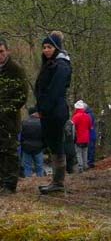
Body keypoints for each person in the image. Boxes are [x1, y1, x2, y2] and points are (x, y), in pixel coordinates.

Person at [34, 31, 72, 194]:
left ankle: (58, 182)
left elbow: (54, 91)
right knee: (53, 144)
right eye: (44, 47)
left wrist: (44, 109)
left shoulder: (61, 65)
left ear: (56, 48)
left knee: (56, 145)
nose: (46, 50)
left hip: (55, 111)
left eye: (49, 47)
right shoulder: (51, 64)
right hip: (49, 111)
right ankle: (56, 181)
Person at [0, 37, 28, 194]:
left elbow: (21, 96)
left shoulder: (15, 69)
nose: (0, 55)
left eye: (1, 52)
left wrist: (5, 111)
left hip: (9, 120)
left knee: (9, 151)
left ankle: (9, 185)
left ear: (7, 51)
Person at [20, 108, 45, 177]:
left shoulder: (24, 122)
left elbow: (21, 136)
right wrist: (43, 146)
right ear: (36, 113)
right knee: (39, 166)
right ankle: (40, 181)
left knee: (27, 166)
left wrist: (22, 145)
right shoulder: (42, 122)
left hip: (26, 147)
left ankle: (28, 182)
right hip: (39, 147)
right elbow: (44, 136)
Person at [71, 100, 92, 172]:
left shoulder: (75, 117)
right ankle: (85, 165)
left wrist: (72, 138)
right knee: (85, 152)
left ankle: (80, 167)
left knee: (79, 153)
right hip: (86, 138)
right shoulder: (87, 116)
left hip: (78, 138)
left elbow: (72, 128)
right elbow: (90, 127)